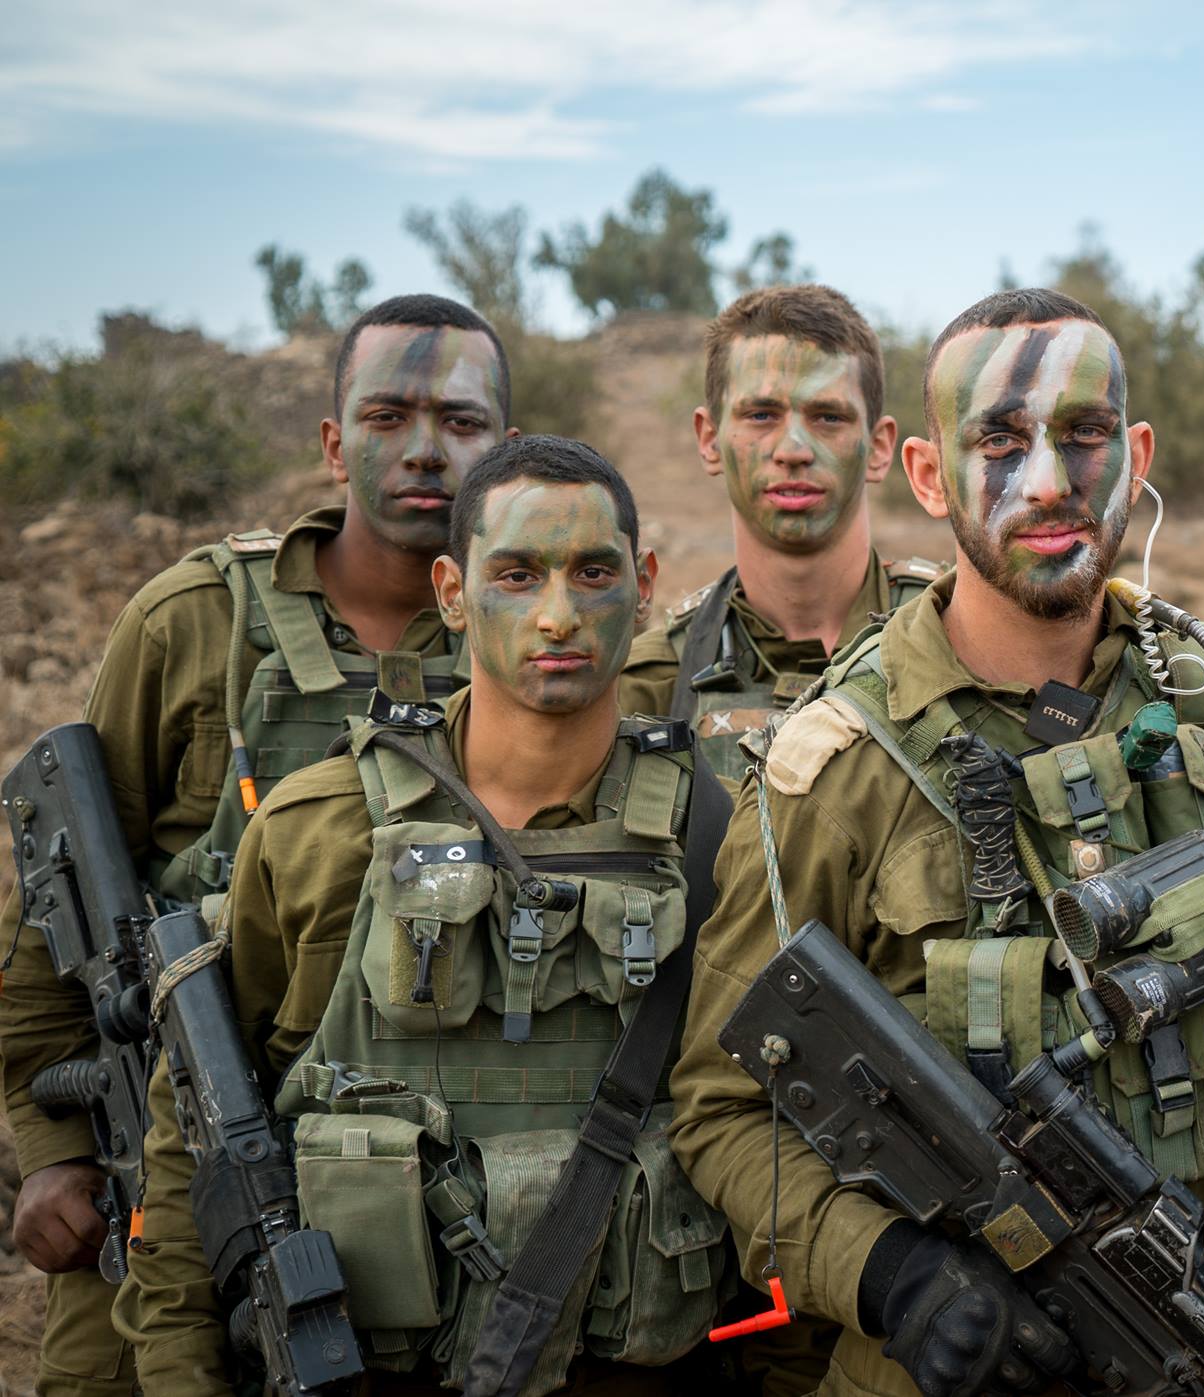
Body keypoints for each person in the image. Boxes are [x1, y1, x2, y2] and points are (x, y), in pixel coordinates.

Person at [672, 288, 1204, 1397]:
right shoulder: (836, 767)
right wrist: (887, 1273)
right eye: (998, 441)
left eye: (1081, 436)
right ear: (926, 475)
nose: (1048, 482)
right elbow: (723, 1108)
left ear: (1135, 451)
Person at [114, 436, 739, 1394]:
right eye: (517, 574)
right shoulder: (322, 826)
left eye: (595, 572)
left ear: (646, 584)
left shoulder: (723, 831)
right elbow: (195, 1143)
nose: (558, 613)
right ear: (451, 591)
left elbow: (768, 1138)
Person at [0, 292, 508, 1397]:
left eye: (463, 424)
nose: (426, 449)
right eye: (388, 415)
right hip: (177, 1179)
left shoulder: (527, 648)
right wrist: (52, 1158)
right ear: (334, 441)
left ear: (504, 451)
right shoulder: (194, 624)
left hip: (429, 1198)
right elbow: (53, 925)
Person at [616, 284, 939, 780]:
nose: (793, 449)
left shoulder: (952, 637)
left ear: (878, 448)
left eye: (828, 417)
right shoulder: (648, 684)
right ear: (709, 439)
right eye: (761, 415)